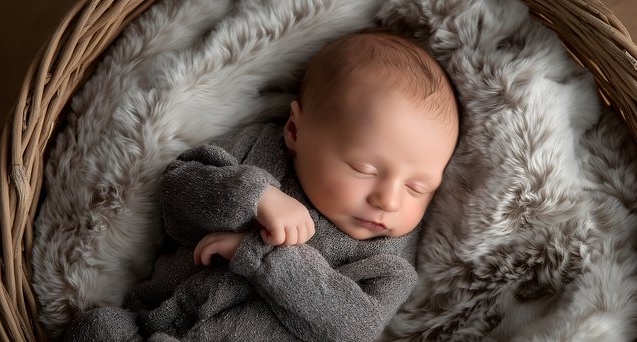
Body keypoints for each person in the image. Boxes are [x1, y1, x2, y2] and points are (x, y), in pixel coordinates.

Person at [64, 30, 459, 342]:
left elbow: (352, 329)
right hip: (150, 322)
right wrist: (254, 196)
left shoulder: (388, 263)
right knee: (96, 329)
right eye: (363, 167)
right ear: (294, 130)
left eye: (418, 188)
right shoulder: (257, 150)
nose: (388, 199)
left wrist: (262, 257)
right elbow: (178, 196)